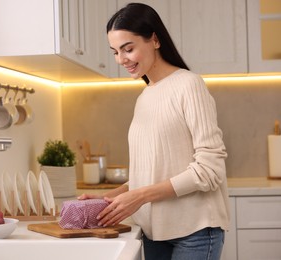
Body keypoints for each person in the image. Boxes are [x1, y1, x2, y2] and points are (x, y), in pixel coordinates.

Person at [78, 3, 229, 260]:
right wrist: (113, 197)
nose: (121, 59)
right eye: (115, 52)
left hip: (195, 231)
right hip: (153, 232)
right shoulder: (145, 95)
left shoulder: (188, 85)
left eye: (128, 49)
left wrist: (139, 197)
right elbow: (153, 171)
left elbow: (210, 169)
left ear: (155, 40)